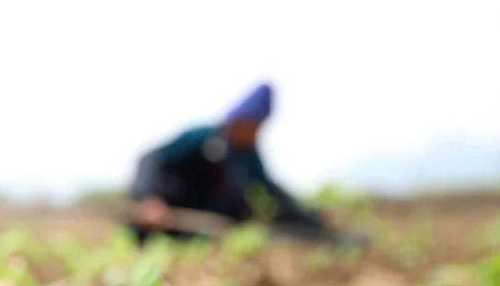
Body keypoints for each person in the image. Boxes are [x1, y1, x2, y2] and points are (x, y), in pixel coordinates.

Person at [128, 83, 347, 243]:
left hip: (204, 227)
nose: (255, 133)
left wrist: (311, 216)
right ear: (239, 119)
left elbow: (271, 191)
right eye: (253, 125)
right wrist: (150, 199)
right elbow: (151, 159)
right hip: (168, 218)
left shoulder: (247, 155)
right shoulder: (202, 137)